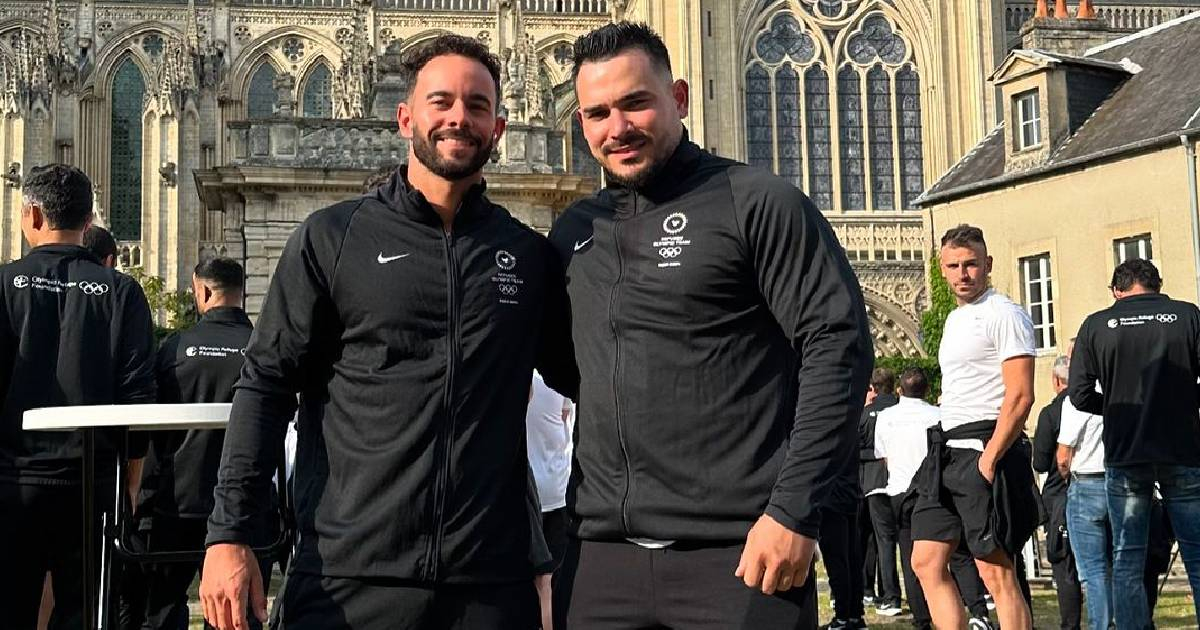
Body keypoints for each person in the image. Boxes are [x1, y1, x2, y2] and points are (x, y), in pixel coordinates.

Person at [199, 34, 577, 630]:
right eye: (441, 101)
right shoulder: (334, 236)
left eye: (477, 106)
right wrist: (230, 533)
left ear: (499, 128)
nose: (459, 117)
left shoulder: (526, 255)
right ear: (405, 118)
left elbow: (593, 381)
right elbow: (266, 385)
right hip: (349, 573)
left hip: (489, 580)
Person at [550, 22, 873, 629]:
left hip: (740, 554)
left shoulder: (757, 202)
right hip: (602, 559)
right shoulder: (576, 232)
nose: (616, 128)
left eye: (635, 103)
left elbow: (840, 348)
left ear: (678, 97)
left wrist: (794, 512)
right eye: (596, 113)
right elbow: (576, 367)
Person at [0, 164, 157, 627]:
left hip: (12, 481)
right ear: (89, 223)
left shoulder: (4, 286)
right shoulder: (121, 291)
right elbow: (138, 397)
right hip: (91, 485)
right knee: (86, 614)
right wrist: (130, 487)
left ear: (29, 215)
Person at [119, 258, 272, 630]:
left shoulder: (175, 349)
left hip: (178, 502)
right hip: (247, 505)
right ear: (242, 292)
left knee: (163, 611)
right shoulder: (262, 351)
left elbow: (151, 427)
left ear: (202, 291)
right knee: (237, 615)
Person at [911, 224, 1038, 630]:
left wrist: (990, 458)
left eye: (970, 265)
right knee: (926, 561)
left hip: (983, 446)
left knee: (994, 570)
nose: (962, 274)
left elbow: (1020, 396)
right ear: (942, 268)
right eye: (953, 266)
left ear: (988, 265)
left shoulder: (1004, 313)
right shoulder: (953, 320)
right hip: (945, 449)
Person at [1069, 258, 1200, 628]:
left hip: (1126, 451)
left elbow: (1078, 394)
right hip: (1182, 448)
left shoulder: (1097, 325)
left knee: (1127, 557)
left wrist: (1113, 408)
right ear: (1158, 284)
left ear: (1116, 290)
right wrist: (1186, 405)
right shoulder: (1187, 316)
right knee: (1197, 554)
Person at [873, 367, 941, 630]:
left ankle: (921, 617)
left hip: (900, 492)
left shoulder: (887, 418)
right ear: (927, 389)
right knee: (939, 556)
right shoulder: (938, 415)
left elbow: (884, 456)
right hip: (930, 490)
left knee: (910, 557)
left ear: (900, 390)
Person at [1031, 355, 1083, 630]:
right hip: (1095, 486)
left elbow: (1040, 462)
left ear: (1055, 381)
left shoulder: (1051, 413)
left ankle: (1070, 625)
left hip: (1059, 493)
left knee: (1065, 568)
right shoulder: (1097, 405)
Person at [525, 370, 575, 630]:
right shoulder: (558, 375)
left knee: (539, 582)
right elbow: (566, 415)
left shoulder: (518, 371)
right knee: (549, 582)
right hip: (557, 490)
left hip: (528, 492)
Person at [862, 367, 902, 617]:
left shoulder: (865, 414)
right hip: (904, 482)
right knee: (904, 541)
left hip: (875, 483)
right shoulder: (903, 410)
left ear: (873, 389)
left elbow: (855, 447)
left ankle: (889, 595)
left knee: (880, 541)